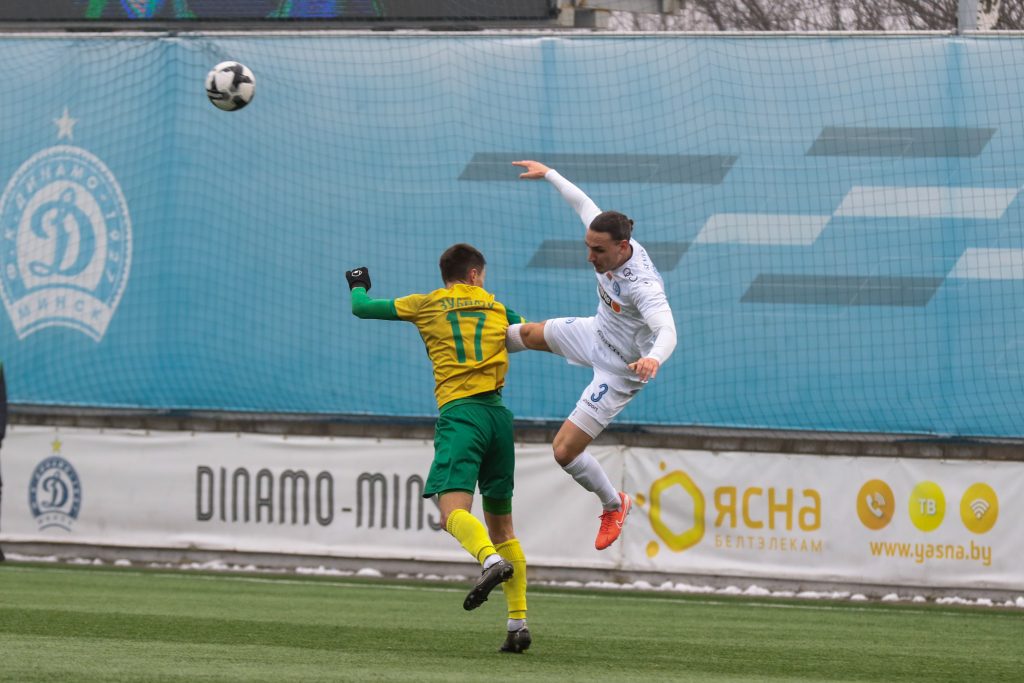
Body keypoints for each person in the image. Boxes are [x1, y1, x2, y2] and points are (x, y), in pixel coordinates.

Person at [345, 244, 530, 653]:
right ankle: (518, 624)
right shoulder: (499, 308)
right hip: (499, 417)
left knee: (451, 513)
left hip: (461, 417)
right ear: (475, 275)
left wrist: (358, 282)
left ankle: (489, 561)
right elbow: (530, 333)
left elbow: (363, 308)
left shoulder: (427, 304)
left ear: (447, 275)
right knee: (504, 528)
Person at [506, 160, 678, 551]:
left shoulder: (643, 287)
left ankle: (614, 504)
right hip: (594, 332)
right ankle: (477, 351)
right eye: (588, 247)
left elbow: (668, 330)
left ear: (622, 248)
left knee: (564, 450)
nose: (590, 257)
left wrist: (654, 358)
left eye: (597, 251)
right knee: (523, 334)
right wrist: (549, 174)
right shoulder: (607, 237)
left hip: (619, 370)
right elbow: (583, 204)